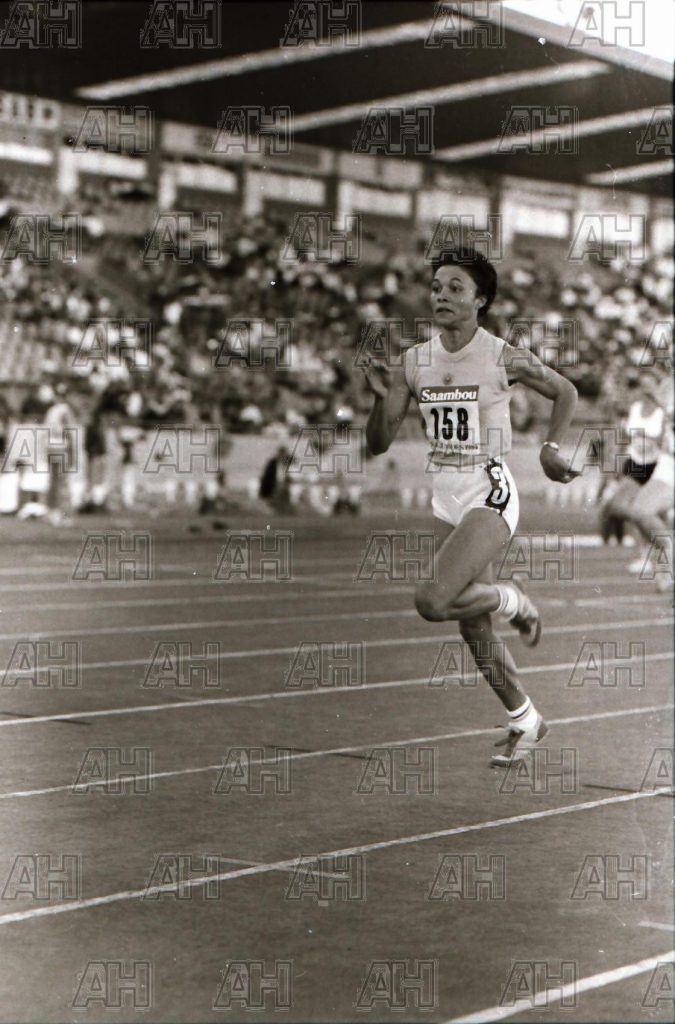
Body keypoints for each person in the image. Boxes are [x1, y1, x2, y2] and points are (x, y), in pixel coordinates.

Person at [363, 248, 579, 767]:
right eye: (437, 287)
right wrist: (378, 398)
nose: (441, 295)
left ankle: (512, 600)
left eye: (455, 288)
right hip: (446, 496)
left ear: (481, 300)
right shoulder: (414, 362)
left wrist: (550, 448)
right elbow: (378, 444)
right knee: (471, 626)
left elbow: (565, 390)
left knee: (433, 601)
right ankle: (526, 720)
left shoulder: (502, 355)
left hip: (489, 490)